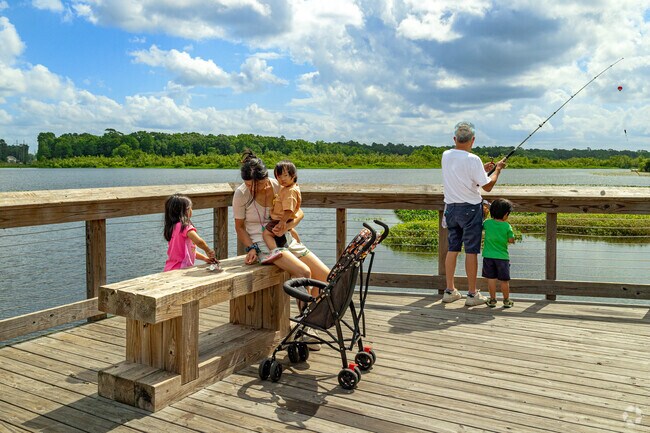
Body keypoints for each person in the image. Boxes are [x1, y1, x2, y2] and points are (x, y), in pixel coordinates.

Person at [233, 150, 330, 349]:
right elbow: (239, 228)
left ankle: (307, 322)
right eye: (249, 184)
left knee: (325, 276)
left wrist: (288, 226)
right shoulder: (241, 193)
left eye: (256, 184)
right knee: (304, 272)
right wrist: (250, 247)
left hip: (285, 238)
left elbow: (299, 211)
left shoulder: (279, 185)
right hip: (263, 245)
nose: (252, 189)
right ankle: (304, 330)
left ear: (266, 177)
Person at [441, 121, 507, 306]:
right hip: (470, 209)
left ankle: (449, 291)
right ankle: (472, 294)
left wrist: (482, 170)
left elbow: (464, 174)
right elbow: (488, 187)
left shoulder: (446, 155)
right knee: (471, 251)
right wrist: (498, 170)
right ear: (473, 140)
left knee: (453, 249)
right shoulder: (473, 159)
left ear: (455, 139)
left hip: (451, 209)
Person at [261, 160, 302, 264]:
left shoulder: (290, 191)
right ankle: (299, 244)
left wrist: (282, 222)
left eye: (285, 175)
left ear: (293, 175)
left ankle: (275, 251)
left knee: (266, 234)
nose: (282, 179)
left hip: (280, 219)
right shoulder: (291, 187)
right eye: (279, 176)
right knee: (291, 231)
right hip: (285, 219)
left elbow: (289, 209)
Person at [163, 194, 217, 271]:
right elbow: (199, 241)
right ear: (186, 210)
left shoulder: (172, 227)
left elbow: (189, 252)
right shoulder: (184, 226)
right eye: (191, 208)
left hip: (170, 268)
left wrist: (204, 258)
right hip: (181, 269)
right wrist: (208, 250)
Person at [482, 198, 516, 308]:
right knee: (504, 280)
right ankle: (506, 301)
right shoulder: (507, 226)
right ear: (506, 214)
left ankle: (492, 300)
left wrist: (484, 214)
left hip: (488, 256)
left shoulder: (487, 223)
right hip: (502, 257)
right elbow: (511, 240)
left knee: (491, 279)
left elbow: (480, 226)